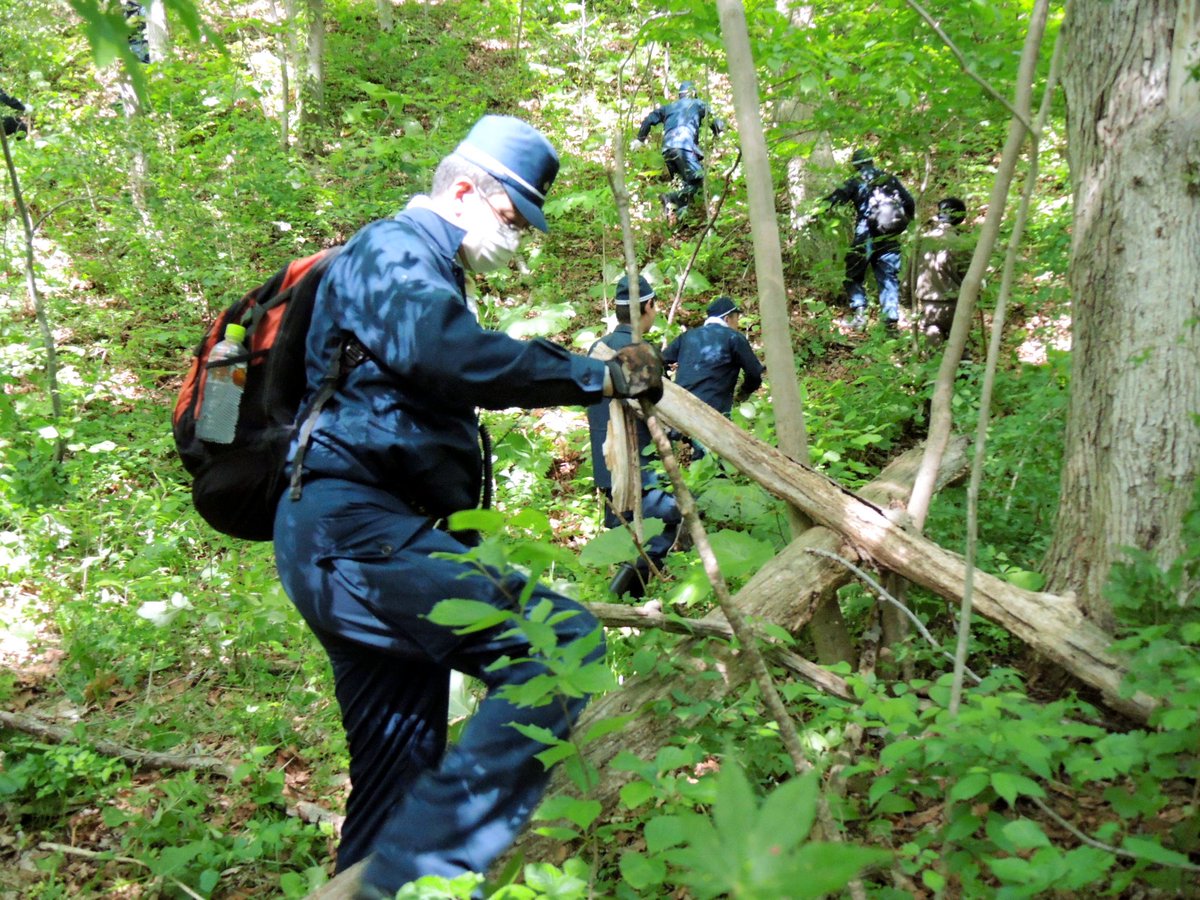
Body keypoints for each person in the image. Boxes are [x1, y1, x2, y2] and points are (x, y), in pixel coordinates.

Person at [272, 115, 665, 899]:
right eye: (511, 218)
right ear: (462, 191)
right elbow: (449, 355)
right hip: (355, 536)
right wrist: (596, 375)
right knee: (558, 643)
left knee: (396, 774)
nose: (513, 239)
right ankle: (425, 879)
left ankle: (382, 874)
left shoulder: (420, 266)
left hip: (350, 539)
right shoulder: (393, 251)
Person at [586, 274, 682, 599]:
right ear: (648, 306)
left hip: (607, 466)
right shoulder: (642, 352)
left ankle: (626, 605)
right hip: (639, 467)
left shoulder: (596, 349)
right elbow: (661, 411)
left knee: (627, 539)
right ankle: (622, 602)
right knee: (667, 523)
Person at [662, 295, 765, 459]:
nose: (737, 324)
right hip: (712, 413)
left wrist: (668, 388)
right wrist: (743, 393)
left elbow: (659, 361)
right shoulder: (734, 338)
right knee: (711, 462)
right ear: (727, 318)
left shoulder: (687, 337)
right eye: (736, 319)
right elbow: (754, 373)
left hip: (681, 408)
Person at [823, 148, 915, 331]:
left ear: (855, 166)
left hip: (865, 235)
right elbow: (909, 202)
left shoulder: (855, 181)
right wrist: (904, 222)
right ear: (872, 161)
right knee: (888, 277)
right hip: (890, 235)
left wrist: (813, 212)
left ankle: (860, 315)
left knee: (852, 274)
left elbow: (833, 200)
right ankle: (890, 324)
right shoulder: (889, 179)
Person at [635, 81, 724, 224]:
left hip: (667, 150)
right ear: (693, 93)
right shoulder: (697, 103)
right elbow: (715, 120)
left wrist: (640, 139)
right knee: (699, 180)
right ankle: (671, 198)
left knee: (686, 182)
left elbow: (649, 119)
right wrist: (719, 133)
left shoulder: (669, 107)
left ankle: (681, 220)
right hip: (684, 147)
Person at [909, 197, 971, 345]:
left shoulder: (922, 241)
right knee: (959, 349)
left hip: (928, 305)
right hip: (954, 304)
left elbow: (910, 274)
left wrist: (906, 299)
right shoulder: (962, 244)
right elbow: (969, 277)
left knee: (934, 348)